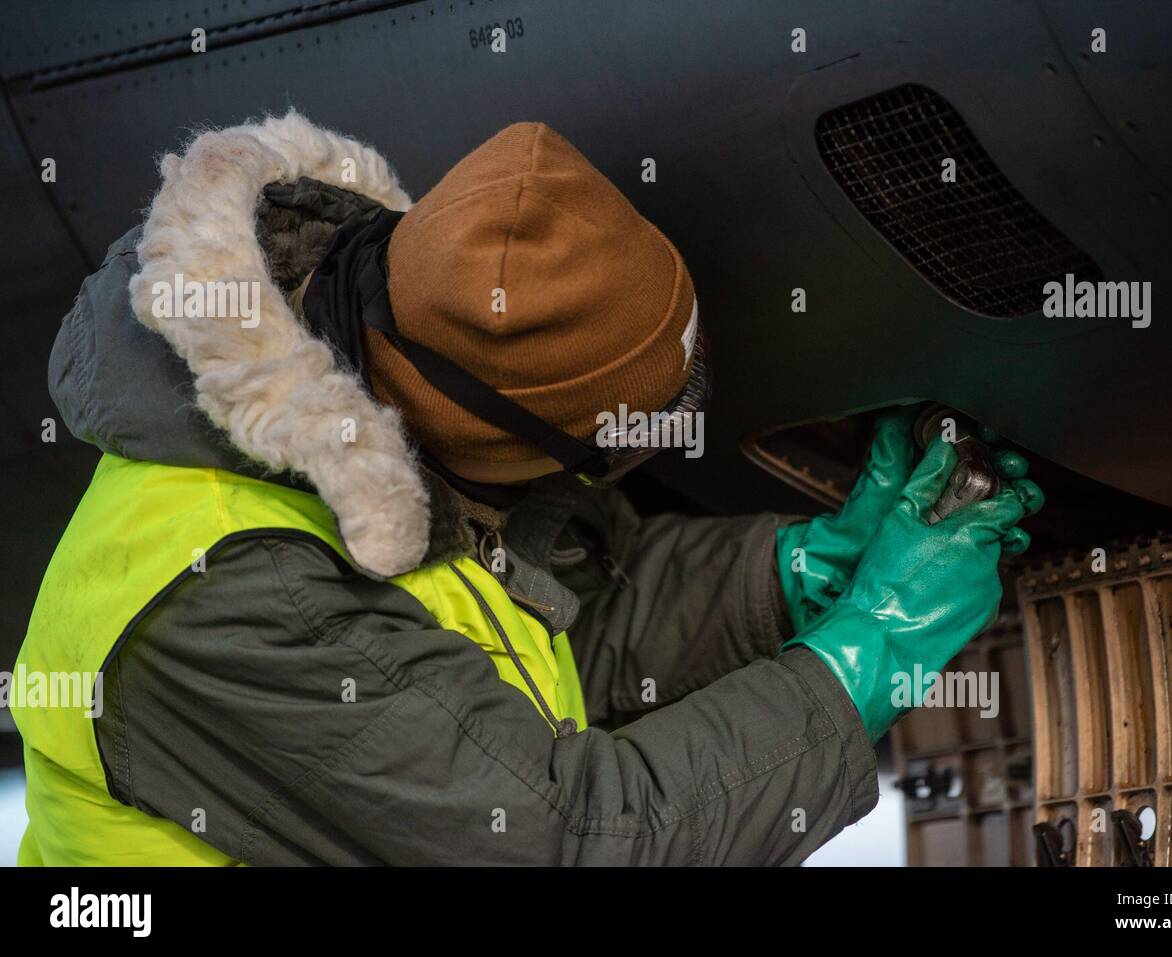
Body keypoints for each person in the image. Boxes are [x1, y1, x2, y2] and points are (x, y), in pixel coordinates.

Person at [14, 112, 1040, 865]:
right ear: (491, 441)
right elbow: (568, 841)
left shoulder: (377, 383)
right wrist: (868, 651)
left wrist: (797, 577)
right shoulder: (237, 600)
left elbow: (538, 639)